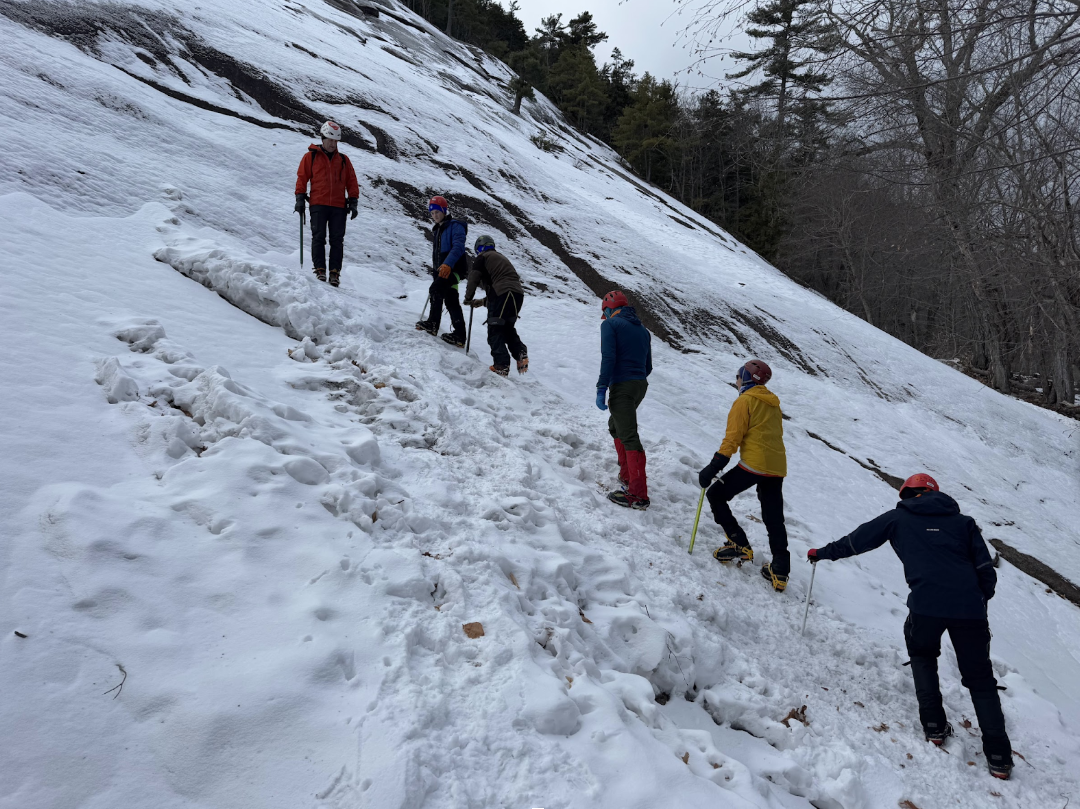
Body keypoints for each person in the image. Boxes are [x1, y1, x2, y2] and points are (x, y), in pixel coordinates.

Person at [807, 474, 1013, 780]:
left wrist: (821, 553)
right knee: (981, 680)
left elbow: (856, 541)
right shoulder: (964, 523)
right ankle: (998, 757)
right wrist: (978, 599)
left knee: (922, 657)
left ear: (907, 494)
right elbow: (985, 569)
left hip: (925, 605)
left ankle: (934, 728)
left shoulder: (898, 518)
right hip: (969, 609)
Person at [699, 360, 789, 592]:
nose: (736, 381)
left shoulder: (744, 401)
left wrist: (713, 467)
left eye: (738, 376)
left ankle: (739, 543)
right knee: (773, 516)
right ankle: (780, 569)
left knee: (716, 494)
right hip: (776, 466)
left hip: (755, 464)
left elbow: (732, 439)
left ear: (746, 378)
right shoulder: (772, 403)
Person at [596, 290, 652, 510]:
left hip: (623, 386)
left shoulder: (610, 325)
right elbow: (648, 366)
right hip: (639, 385)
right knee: (616, 426)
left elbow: (608, 357)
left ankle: (638, 495)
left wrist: (602, 386)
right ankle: (627, 475)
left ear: (609, 309)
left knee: (628, 435)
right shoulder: (643, 330)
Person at [294, 121, 359, 287]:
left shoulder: (343, 160)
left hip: (339, 206)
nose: (333, 144)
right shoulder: (310, 157)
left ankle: (335, 273)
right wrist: (300, 198)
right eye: (330, 140)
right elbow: (302, 177)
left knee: (337, 240)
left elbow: (351, 181)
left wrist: (353, 201)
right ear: (323, 138)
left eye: (335, 141)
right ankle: (320, 270)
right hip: (318, 204)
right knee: (319, 237)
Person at [463, 235, 528, 376]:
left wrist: (468, 298)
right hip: (517, 295)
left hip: (503, 294)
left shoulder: (483, 257)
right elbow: (501, 288)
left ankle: (501, 365)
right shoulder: (501, 258)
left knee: (494, 329)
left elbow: (474, 278)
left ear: (480, 248)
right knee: (507, 328)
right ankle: (520, 352)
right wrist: (482, 302)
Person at [415, 196, 468, 346]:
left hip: (453, 268)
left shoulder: (455, 226)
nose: (435, 215)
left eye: (437, 212)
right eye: (432, 213)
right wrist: (437, 270)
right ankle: (459, 335)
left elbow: (458, 247)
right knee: (451, 300)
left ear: (444, 211)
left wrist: (447, 265)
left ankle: (433, 324)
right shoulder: (438, 229)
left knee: (436, 290)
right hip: (443, 269)